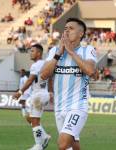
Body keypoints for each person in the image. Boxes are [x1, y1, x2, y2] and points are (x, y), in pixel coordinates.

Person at [40, 18, 97, 150]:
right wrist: (59, 53)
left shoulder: (88, 50)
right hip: (59, 107)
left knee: (63, 144)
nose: (66, 31)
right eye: (65, 28)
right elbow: (43, 75)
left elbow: (90, 70)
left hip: (78, 106)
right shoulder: (54, 51)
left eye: (70, 28)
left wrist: (71, 51)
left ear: (80, 33)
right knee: (73, 145)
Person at [13, 44, 51, 150]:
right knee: (32, 119)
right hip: (44, 93)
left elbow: (30, 80)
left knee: (34, 121)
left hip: (38, 95)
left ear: (39, 53)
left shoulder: (36, 65)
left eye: (33, 51)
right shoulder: (46, 64)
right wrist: (51, 92)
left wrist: (20, 92)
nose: (31, 53)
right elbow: (50, 78)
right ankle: (44, 137)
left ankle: (39, 145)